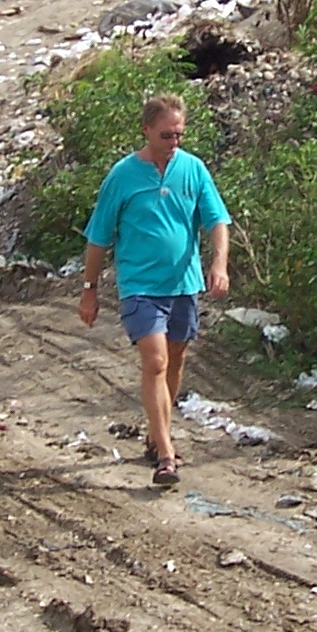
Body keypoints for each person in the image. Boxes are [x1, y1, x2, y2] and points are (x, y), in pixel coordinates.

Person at [76, 93, 230, 485]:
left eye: (179, 134)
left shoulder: (193, 170)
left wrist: (218, 263)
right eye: (166, 135)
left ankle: (154, 432)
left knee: (175, 360)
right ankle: (165, 454)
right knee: (156, 362)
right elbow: (98, 237)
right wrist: (89, 289)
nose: (173, 142)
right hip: (139, 286)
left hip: (182, 284)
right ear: (146, 130)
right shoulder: (123, 176)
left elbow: (217, 220)